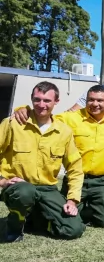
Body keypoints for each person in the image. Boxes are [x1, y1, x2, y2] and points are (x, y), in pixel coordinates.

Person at [11, 85, 104, 228]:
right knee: (65, 215)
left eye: (100, 100)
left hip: (103, 181)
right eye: (91, 100)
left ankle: (100, 205)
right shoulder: (69, 118)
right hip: (77, 179)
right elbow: (44, 114)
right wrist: (23, 109)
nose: (95, 104)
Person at [0, 82, 85, 242]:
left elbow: (75, 168)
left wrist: (72, 200)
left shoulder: (64, 131)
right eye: (37, 100)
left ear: (56, 102)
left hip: (47, 189)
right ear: (31, 100)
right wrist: (3, 181)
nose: (41, 105)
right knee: (25, 193)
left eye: (47, 101)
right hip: (19, 186)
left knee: (73, 229)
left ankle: (33, 219)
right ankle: (14, 227)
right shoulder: (12, 124)